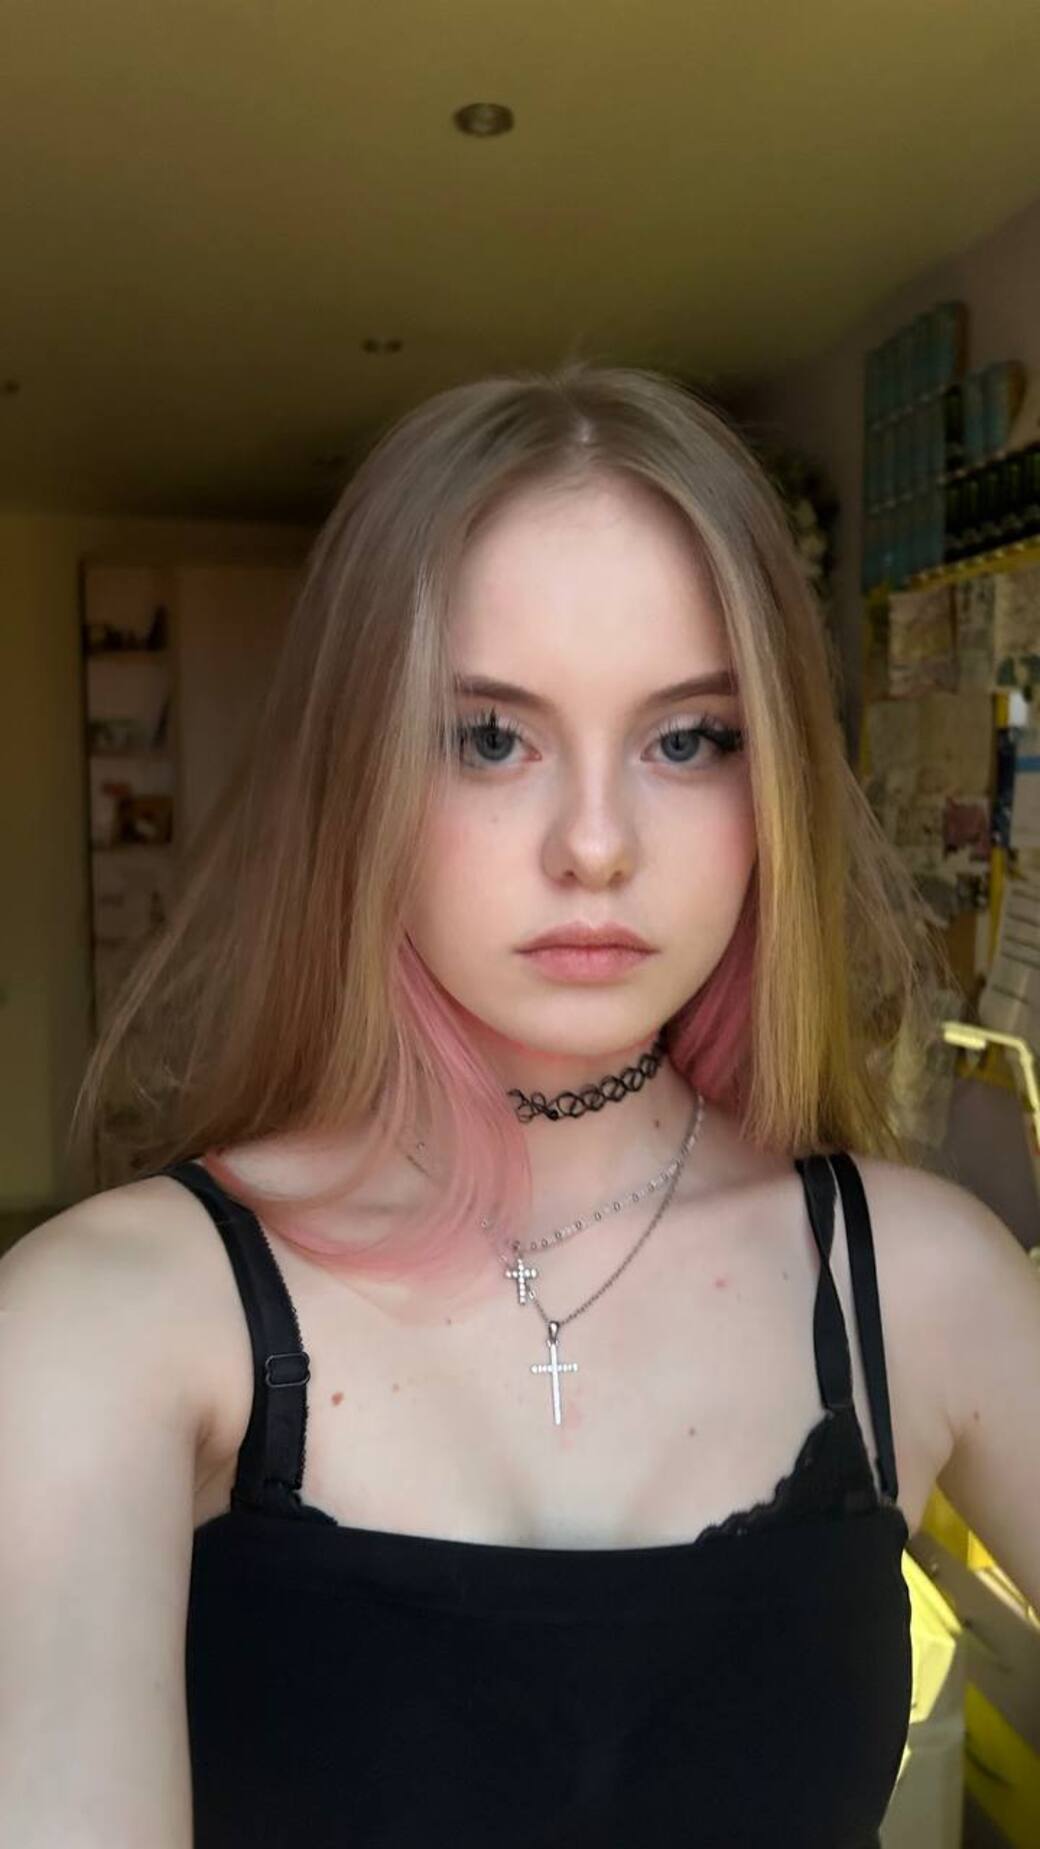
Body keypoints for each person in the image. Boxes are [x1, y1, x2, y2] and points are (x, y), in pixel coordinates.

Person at [3, 362, 1038, 1849]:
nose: (596, 844)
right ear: (356, 775)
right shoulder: (104, 1320)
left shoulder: (923, 1285)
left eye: (688, 738)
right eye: (490, 737)